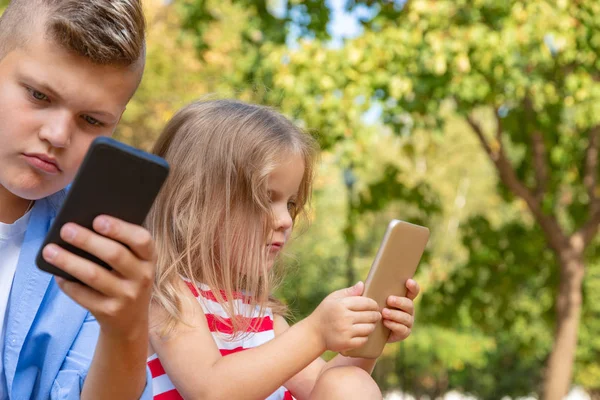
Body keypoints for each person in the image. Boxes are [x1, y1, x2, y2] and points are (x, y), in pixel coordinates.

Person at [146, 99, 421, 399]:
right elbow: (212, 391)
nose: (285, 220)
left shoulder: (262, 317)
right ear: (193, 203)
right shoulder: (165, 296)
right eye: (265, 198)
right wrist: (316, 332)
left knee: (350, 383)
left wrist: (369, 337)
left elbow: (324, 388)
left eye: (290, 204)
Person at [0, 0, 155, 398]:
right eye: (38, 95)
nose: (58, 135)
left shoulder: (93, 253)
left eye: (92, 120)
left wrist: (127, 331)